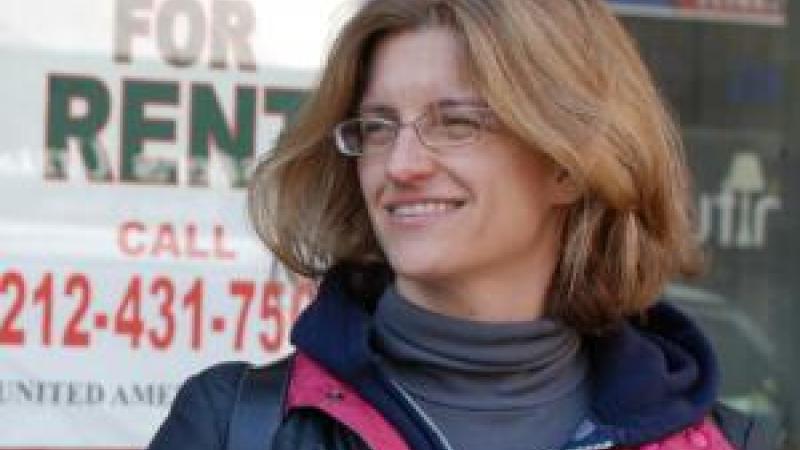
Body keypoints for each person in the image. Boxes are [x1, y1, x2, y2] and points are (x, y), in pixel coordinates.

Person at [148, 1, 773, 449]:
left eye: (456, 123)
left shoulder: (724, 442)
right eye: (379, 126)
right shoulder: (233, 425)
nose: (402, 164)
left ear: (570, 165)